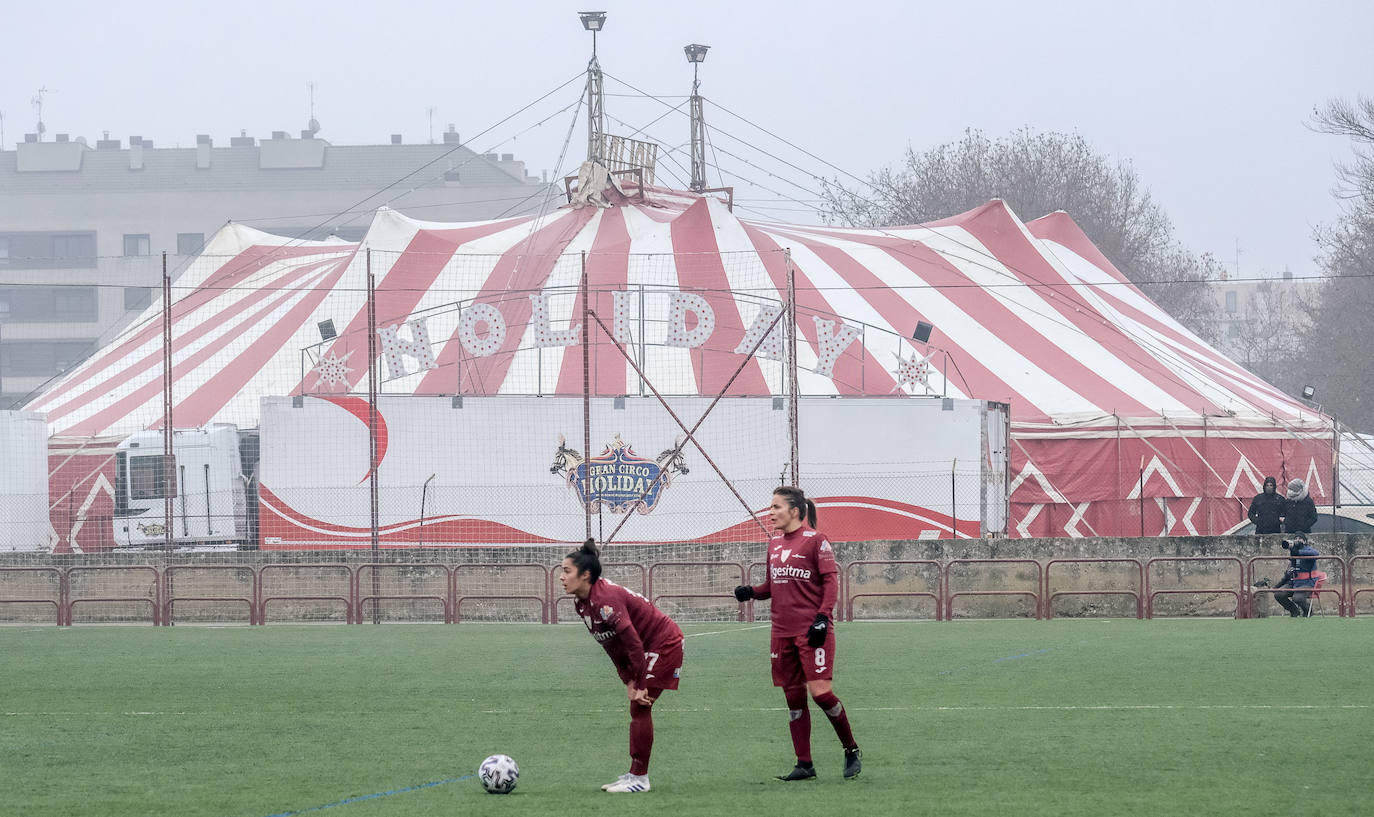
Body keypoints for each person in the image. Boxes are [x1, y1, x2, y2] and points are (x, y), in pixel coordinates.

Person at [733, 486, 862, 781]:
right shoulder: (774, 544)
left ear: (794, 511)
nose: (771, 512)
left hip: (812, 631)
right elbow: (772, 586)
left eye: (776, 507)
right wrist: (751, 591)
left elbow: (830, 583)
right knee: (793, 699)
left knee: (820, 693)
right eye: (770, 507)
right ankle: (804, 764)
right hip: (781, 633)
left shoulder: (816, 541)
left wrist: (822, 618)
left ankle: (851, 749)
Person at [559, 538, 684, 794]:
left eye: (567, 571)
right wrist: (627, 679)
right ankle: (634, 774)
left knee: (640, 706)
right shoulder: (582, 604)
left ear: (585, 575)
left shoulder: (605, 600)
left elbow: (634, 645)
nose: (561, 576)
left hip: (664, 643)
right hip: (645, 648)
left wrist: (639, 683)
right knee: (637, 706)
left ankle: (640, 778)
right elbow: (610, 645)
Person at [1271, 536, 1321, 617]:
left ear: (1304, 541)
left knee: (1297, 598)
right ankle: (1294, 611)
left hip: (1307, 583)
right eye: (1296, 538)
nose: (1297, 540)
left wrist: (1299, 552)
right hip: (1294, 583)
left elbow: (1316, 553)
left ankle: (1308, 611)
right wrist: (1277, 587)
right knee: (1278, 594)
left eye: (1300, 538)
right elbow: (1288, 574)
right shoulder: (1293, 552)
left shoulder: (1308, 550)